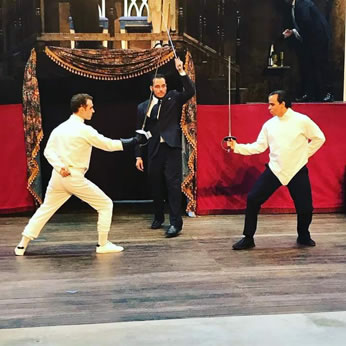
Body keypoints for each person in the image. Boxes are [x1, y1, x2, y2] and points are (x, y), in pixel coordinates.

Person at [15, 93, 148, 256]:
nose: (93, 110)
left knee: (46, 209)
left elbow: (48, 151)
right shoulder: (84, 130)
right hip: (73, 177)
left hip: (59, 177)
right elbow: (108, 145)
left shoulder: (60, 128)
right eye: (90, 107)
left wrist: (59, 167)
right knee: (105, 204)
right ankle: (103, 244)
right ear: (81, 108)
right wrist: (135, 141)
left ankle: (22, 245)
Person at [228, 90, 325, 250]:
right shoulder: (269, 125)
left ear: (283, 104)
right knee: (253, 199)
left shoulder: (302, 120)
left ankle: (303, 235)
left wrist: (304, 154)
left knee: (306, 207)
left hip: (297, 170)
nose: (269, 108)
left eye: (272, 104)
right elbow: (259, 146)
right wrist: (237, 147)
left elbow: (319, 138)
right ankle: (248, 237)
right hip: (275, 169)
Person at [135, 57, 195, 238]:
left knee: (173, 185)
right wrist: (138, 155)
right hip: (153, 150)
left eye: (163, 86)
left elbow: (190, 90)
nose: (161, 89)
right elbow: (139, 132)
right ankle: (158, 216)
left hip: (171, 148)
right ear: (151, 88)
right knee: (156, 185)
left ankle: (176, 224)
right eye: (157, 86)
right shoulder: (143, 107)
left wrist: (181, 71)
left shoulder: (174, 98)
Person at [282, 0, 333, 102]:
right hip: (311, 39)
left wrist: (295, 31)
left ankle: (325, 94)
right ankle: (311, 94)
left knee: (319, 66)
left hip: (318, 39)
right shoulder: (296, 5)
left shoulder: (302, 4)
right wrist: (292, 32)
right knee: (309, 66)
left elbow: (306, 22)